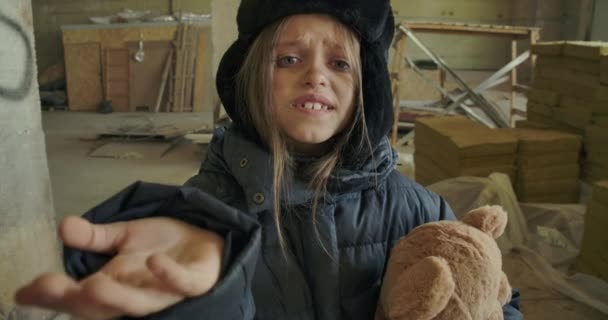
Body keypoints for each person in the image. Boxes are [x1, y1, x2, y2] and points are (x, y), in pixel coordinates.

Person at [16, 0, 522, 319]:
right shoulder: (205, 213)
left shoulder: (419, 211)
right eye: (289, 59)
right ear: (254, 77)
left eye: (339, 63)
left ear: (364, 88)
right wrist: (201, 299)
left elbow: (501, 298)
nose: (315, 75)